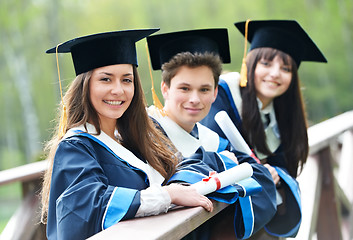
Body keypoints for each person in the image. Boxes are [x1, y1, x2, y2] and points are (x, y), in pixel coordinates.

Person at [40, 29, 217, 240]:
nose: (118, 90)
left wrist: (185, 183)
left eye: (127, 80)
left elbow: (182, 164)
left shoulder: (135, 138)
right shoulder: (76, 147)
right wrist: (168, 195)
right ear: (85, 86)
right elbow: (88, 208)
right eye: (106, 80)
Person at [201, 20, 327, 238]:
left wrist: (276, 174)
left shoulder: (286, 115)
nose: (275, 73)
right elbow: (214, 153)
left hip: (261, 218)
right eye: (267, 64)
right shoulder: (222, 93)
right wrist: (261, 171)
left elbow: (286, 166)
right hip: (220, 218)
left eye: (286, 68)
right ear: (250, 64)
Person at [146, 28, 277, 239]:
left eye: (204, 89)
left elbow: (260, 180)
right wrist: (223, 164)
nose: (195, 99)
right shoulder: (144, 135)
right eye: (185, 88)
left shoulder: (213, 140)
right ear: (165, 88)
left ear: (216, 92)